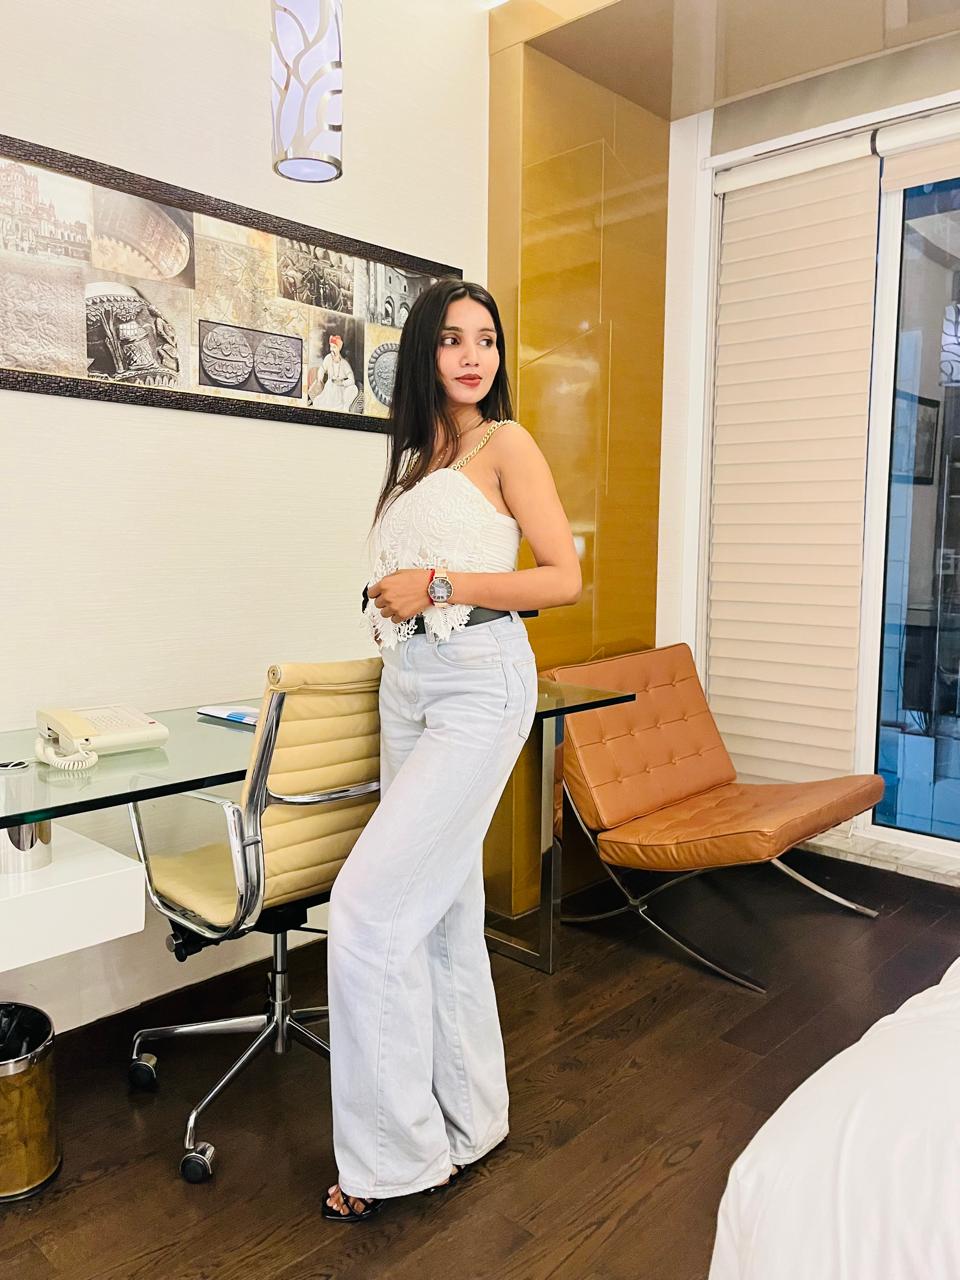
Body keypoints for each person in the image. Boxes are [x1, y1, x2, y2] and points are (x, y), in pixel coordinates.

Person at [323, 277, 582, 1222]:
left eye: (487, 339)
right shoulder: (412, 459)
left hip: (480, 681)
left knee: (366, 909)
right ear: (424, 353)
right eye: (452, 339)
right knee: (439, 911)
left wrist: (437, 584)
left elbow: (562, 577)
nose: (474, 356)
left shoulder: (506, 444)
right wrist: (392, 597)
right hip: (409, 685)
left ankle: (394, 1159)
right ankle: (472, 1121)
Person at [311, 333, 358, 411]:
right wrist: (319, 379)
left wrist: (341, 383)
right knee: (318, 403)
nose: (331, 349)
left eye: (334, 347)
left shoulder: (344, 364)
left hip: (340, 390)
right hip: (328, 389)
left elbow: (352, 380)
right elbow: (322, 368)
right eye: (331, 346)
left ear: (339, 348)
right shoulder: (328, 358)